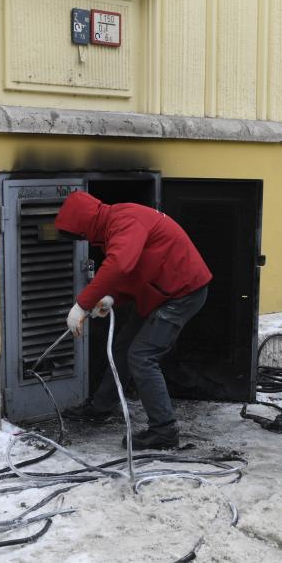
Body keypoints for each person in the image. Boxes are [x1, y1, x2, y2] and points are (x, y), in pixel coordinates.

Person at [53, 191, 212, 450]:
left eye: (81, 233)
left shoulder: (125, 219)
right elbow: (134, 268)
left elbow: (120, 265)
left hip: (182, 293)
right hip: (161, 292)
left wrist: (81, 305)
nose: (83, 239)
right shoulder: (114, 224)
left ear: (86, 223)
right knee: (123, 347)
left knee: (142, 356)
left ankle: (164, 430)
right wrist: (111, 297)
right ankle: (102, 407)